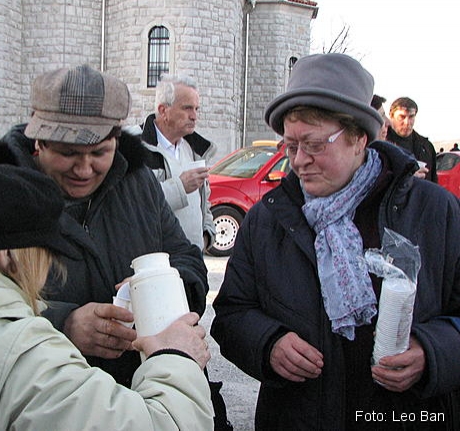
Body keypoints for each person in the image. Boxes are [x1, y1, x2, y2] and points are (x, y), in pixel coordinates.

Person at [0, 156, 213, 430]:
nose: (47, 270)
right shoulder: (22, 357)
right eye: (46, 254)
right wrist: (175, 357)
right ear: (7, 256)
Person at [211, 53, 460, 430]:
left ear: (359, 138)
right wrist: (269, 343)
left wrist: (432, 351)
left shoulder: (434, 211)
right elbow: (232, 314)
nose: (298, 161)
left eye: (313, 145)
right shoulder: (268, 219)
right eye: (290, 146)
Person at [2, 65, 209, 387]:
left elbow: (186, 257)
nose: (84, 170)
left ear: (116, 140)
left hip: (144, 388)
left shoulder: (138, 181)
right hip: (52, 395)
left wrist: (165, 289)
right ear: (38, 141)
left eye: (99, 152)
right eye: (68, 153)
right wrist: (62, 324)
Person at [138, 74, 216, 251]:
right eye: (187, 108)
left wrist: (205, 236)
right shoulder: (135, 147)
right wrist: (179, 187)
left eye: (196, 109)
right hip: (156, 262)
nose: (194, 116)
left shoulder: (195, 150)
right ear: (163, 110)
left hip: (192, 261)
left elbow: (205, 203)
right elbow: (133, 205)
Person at [387, 97, 437, 182]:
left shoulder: (426, 147)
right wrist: (406, 178)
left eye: (411, 117)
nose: (407, 122)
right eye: (402, 117)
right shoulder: (380, 144)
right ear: (391, 117)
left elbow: (434, 182)